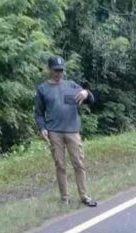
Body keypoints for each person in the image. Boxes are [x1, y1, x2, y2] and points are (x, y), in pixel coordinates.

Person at [34, 56, 98, 207]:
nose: (58, 73)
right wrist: (42, 128)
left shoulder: (71, 85)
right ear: (49, 69)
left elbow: (91, 100)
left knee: (78, 163)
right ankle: (65, 198)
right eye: (56, 70)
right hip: (54, 132)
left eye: (61, 70)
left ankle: (84, 196)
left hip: (72, 131)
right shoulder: (42, 89)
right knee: (60, 165)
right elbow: (38, 113)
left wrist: (86, 93)